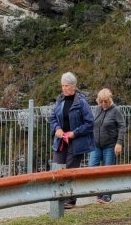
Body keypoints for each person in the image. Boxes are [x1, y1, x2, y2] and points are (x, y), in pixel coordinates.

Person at [49, 72, 94, 209]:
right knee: (57, 167)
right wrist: (57, 128)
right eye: (62, 85)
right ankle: (58, 197)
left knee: (71, 170)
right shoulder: (60, 101)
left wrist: (75, 133)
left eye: (67, 85)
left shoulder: (81, 103)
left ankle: (70, 199)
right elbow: (53, 118)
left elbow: (90, 123)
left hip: (76, 142)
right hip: (61, 141)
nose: (64, 88)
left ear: (73, 86)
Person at [88, 88, 126, 203]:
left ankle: (107, 195)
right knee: (91, 167)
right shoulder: (97, 109)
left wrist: (119, 143)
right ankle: (98, 192)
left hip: (110, 145)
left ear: (110, 100)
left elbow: (122, 127)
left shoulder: (116, 110)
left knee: (108, 170)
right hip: (96, 145)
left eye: (106, 101)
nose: (103, 104)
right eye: (101, 101)